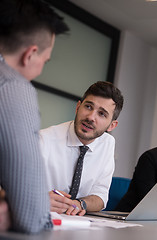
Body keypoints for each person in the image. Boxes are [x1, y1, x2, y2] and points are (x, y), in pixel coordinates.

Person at [0, 0, 69, 233]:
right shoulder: (12, 87)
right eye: (45, 61)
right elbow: (31, 218)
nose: (40, 70)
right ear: (30, 54)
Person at [40, 81, 123, 216]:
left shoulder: (107, 143)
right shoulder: (43, 140)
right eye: (88, 107)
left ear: (112, 125)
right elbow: (9, 187)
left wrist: (80, 204)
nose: (90, 117)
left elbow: (101, 196)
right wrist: (38, 199)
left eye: (102, 114)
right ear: (78, 107)